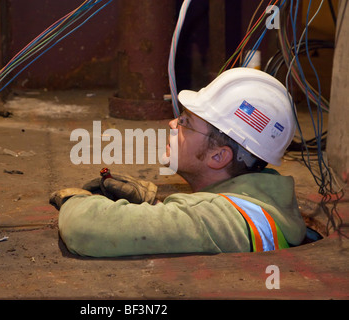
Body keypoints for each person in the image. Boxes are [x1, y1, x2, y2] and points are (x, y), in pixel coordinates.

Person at [50, 68, 307, 257]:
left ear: (218, 156)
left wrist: (78, 200)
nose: (173, 124)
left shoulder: (220, 220)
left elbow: (87, 229)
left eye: (186, 122)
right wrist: (156, 205)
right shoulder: (260, 202)